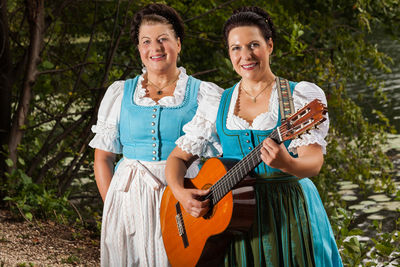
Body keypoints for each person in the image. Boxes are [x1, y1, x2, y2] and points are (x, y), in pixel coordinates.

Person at [165, 6, 343, 267]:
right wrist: (180, 193)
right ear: (228, 53)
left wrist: (287, 163)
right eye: (236, 48)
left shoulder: (299, 96)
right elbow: (177, 159)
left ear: (269, 45)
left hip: (289, 211)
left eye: (253, 45)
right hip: (233, 219)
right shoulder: (217, 103)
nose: (245, 55)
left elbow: (314, 163)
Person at [89, 3, 223, 266]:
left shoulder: (204, 94)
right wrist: (114, 205)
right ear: (139, 48)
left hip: (181, 196)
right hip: (127, 198)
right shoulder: (120, 93)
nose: (155, 48)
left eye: (163, 39)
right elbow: (103, 158)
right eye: (146, 41)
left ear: (178, 44)